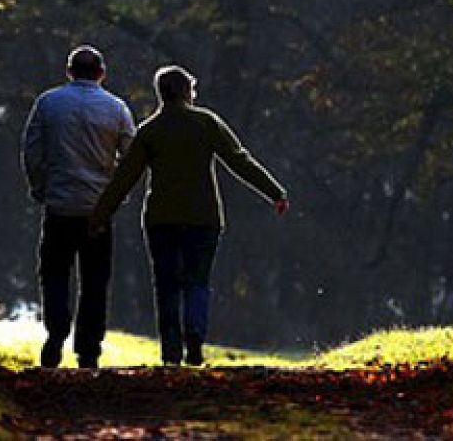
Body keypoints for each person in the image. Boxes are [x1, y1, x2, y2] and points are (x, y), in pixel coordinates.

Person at [91, 65, 288, 367]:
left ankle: (171, 351)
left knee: (166, 284)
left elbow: (124, 178)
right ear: (187, 91)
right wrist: (274, 192)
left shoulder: (150, 130)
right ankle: (194, 338)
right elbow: (239, 160)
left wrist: (100, 215)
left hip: (161, 219)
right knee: (197, 281)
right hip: (203, 218)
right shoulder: (205, 122)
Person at [20, 44, 135, 369]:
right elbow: (132, 157)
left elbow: (31, 151)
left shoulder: (48, 103)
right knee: (95, 278)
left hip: (59, 204)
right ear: (101, 73)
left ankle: (56, 332)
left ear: (69, 71)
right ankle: (88, 349)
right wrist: (116, 194)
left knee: (54, 272)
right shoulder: (117, 109)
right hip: (98, 208)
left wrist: (40, 187)